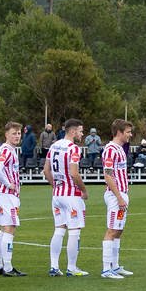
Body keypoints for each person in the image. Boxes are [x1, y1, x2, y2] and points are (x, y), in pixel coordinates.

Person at [46, 118, 88, 276]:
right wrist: (84, 190)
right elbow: (74, 173)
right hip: (71, 195)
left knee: (59, 229)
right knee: (74, 230)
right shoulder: (73, 148)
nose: (82, 134)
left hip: (57, 195)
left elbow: (46, 170)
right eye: (80, 131)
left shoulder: (54, 145)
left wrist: (55, 186)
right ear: (72, 131)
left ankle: (54, 267)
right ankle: (71, 267)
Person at [99, 119, 134, 279]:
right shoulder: (110, 149)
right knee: (112, 230)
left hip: (121, 194)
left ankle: (115, 265)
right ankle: (106, 269)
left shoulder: (120, 149)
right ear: (119, 132)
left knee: (118, 230)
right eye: (128, 132)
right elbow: (108, 175)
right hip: (115, 195)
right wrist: (119, 196)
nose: (130, 135)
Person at [0, 122, 26, 275]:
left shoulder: (10, 149)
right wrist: (8, 183)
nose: (17, 136)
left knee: (4, 228)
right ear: (6, 135)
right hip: (6, 194)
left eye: (18, 133)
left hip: (4, 194)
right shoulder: (6, 149)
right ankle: (8, 267)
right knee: (10, 228)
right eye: (14, 133)